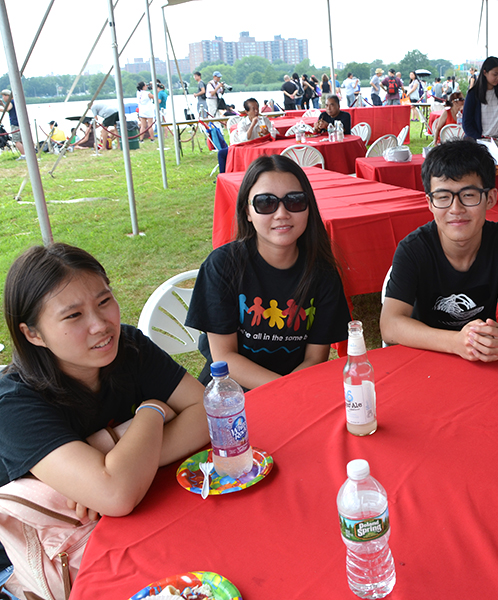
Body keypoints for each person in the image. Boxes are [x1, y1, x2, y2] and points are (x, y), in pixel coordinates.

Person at [0, 244, 208, 556]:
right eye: (73, 315)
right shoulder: (13, 403)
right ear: (33, 334)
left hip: (141, 518)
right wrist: (152, 411)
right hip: (47, 560)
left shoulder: (128, 347)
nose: (100, 325)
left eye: (104, 300)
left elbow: (209, 414)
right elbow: (116, 495)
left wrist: (117, 464)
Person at [186, 155, 351, 389]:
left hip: (296, 385)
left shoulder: (322, 272)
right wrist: (283, 389)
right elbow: (225, 357)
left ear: (308, 207)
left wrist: (288, 392)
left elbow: (315, 357)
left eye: (294, 201)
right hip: (231, 392)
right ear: (247, 212)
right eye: (266, 202)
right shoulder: (222, 265)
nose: (282, 213)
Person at [380, 140, 498, 362]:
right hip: (426, 354)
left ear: (490, 198)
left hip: (481, 359)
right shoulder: (413, 250)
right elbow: (390, 326)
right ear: (430, 203)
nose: (456, 209)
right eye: (443, 197)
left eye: (468, 195)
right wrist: (456, 342)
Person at [462, 56, 498, 140]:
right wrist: (480, 139)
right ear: (485, 72)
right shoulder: (473, 94)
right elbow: (466, 123)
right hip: (478, 141)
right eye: (495, 74)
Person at [0, 89, 25, 158]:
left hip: (15, 123)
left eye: (3, 96)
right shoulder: (15, 102)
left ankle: (23, 155)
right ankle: (26, 154)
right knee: (22, 140)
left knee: (17, 141)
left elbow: (6, 109)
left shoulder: (11, 102)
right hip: (20, 123)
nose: (3, 98)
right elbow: (9, 109)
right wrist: (2, 104)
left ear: (7, 96)